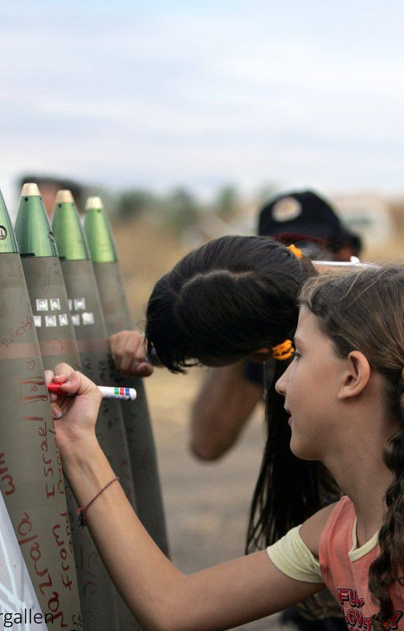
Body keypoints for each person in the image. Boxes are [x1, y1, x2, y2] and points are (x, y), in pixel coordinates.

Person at [49, 265, 404, 630]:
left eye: (298, 354)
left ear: (353, 375)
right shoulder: (334, 532)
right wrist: (77, 442)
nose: (281, 383)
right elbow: (173, 606)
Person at [191, 191, 362, 463]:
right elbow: (207, 444)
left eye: (307, 250)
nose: (294, 267)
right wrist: (242, 324)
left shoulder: (377, 321)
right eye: (277, 256)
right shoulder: (273, 334)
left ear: (345, 255)